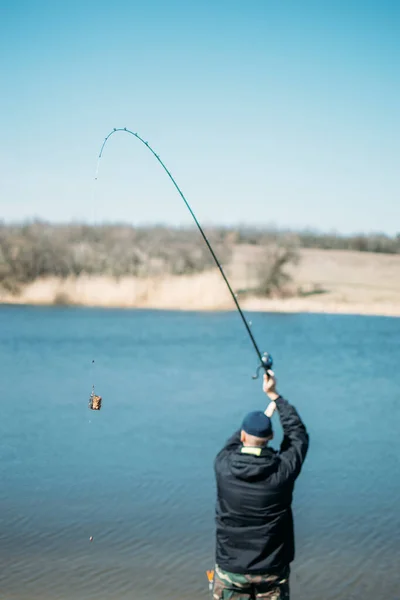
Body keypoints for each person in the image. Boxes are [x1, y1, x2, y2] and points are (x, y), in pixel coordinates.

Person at [213, 370, 309, 600]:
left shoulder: (223, 465)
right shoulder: (282, 471)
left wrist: (264, 415)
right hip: (271, 569)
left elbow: (237, 439)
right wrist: (275, 397)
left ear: (243, 436)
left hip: (231, 569)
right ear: (271, 436)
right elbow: (298, 436)